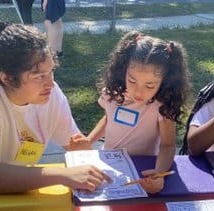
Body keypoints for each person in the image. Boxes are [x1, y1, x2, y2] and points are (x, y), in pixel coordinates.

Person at [0, 22, 111, 194]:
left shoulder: (51, 95)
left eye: (51, 72)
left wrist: (84, 154)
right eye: (40, 76)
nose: (51, 84)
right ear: (8, 79)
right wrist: (61, 175)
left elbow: (75, 148)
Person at [68, 31, 190, 193]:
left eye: (150, 86)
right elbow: (108, 119)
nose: (138, 92)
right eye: (132, 80)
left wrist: (159, 173)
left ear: (164, 81)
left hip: (142, 168)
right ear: (123, 69)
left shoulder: (161, 106)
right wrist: (89, 141)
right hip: (109, 163)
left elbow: (168, 145)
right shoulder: (113, 94)